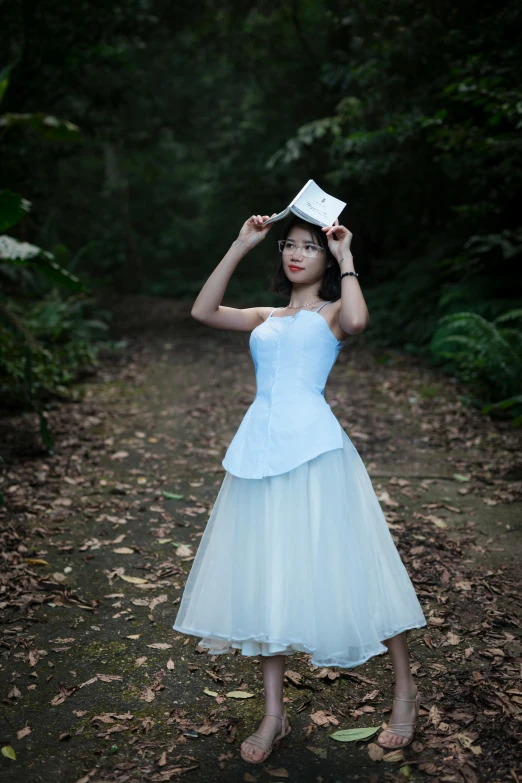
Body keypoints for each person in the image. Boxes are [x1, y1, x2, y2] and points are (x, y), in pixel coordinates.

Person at [172, 211, 427, 764]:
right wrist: (241, 244)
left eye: (308, 247)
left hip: (316, 452)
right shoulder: (268, 314)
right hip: (261, 453)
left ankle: (405, 694)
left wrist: (347, 257)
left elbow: (358, 322)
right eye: (289, 246)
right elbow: (203, 310)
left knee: (360, 566)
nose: (295, 254)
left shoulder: (334, 311)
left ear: (324, 256)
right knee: (270, 576)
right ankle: (274, 714)